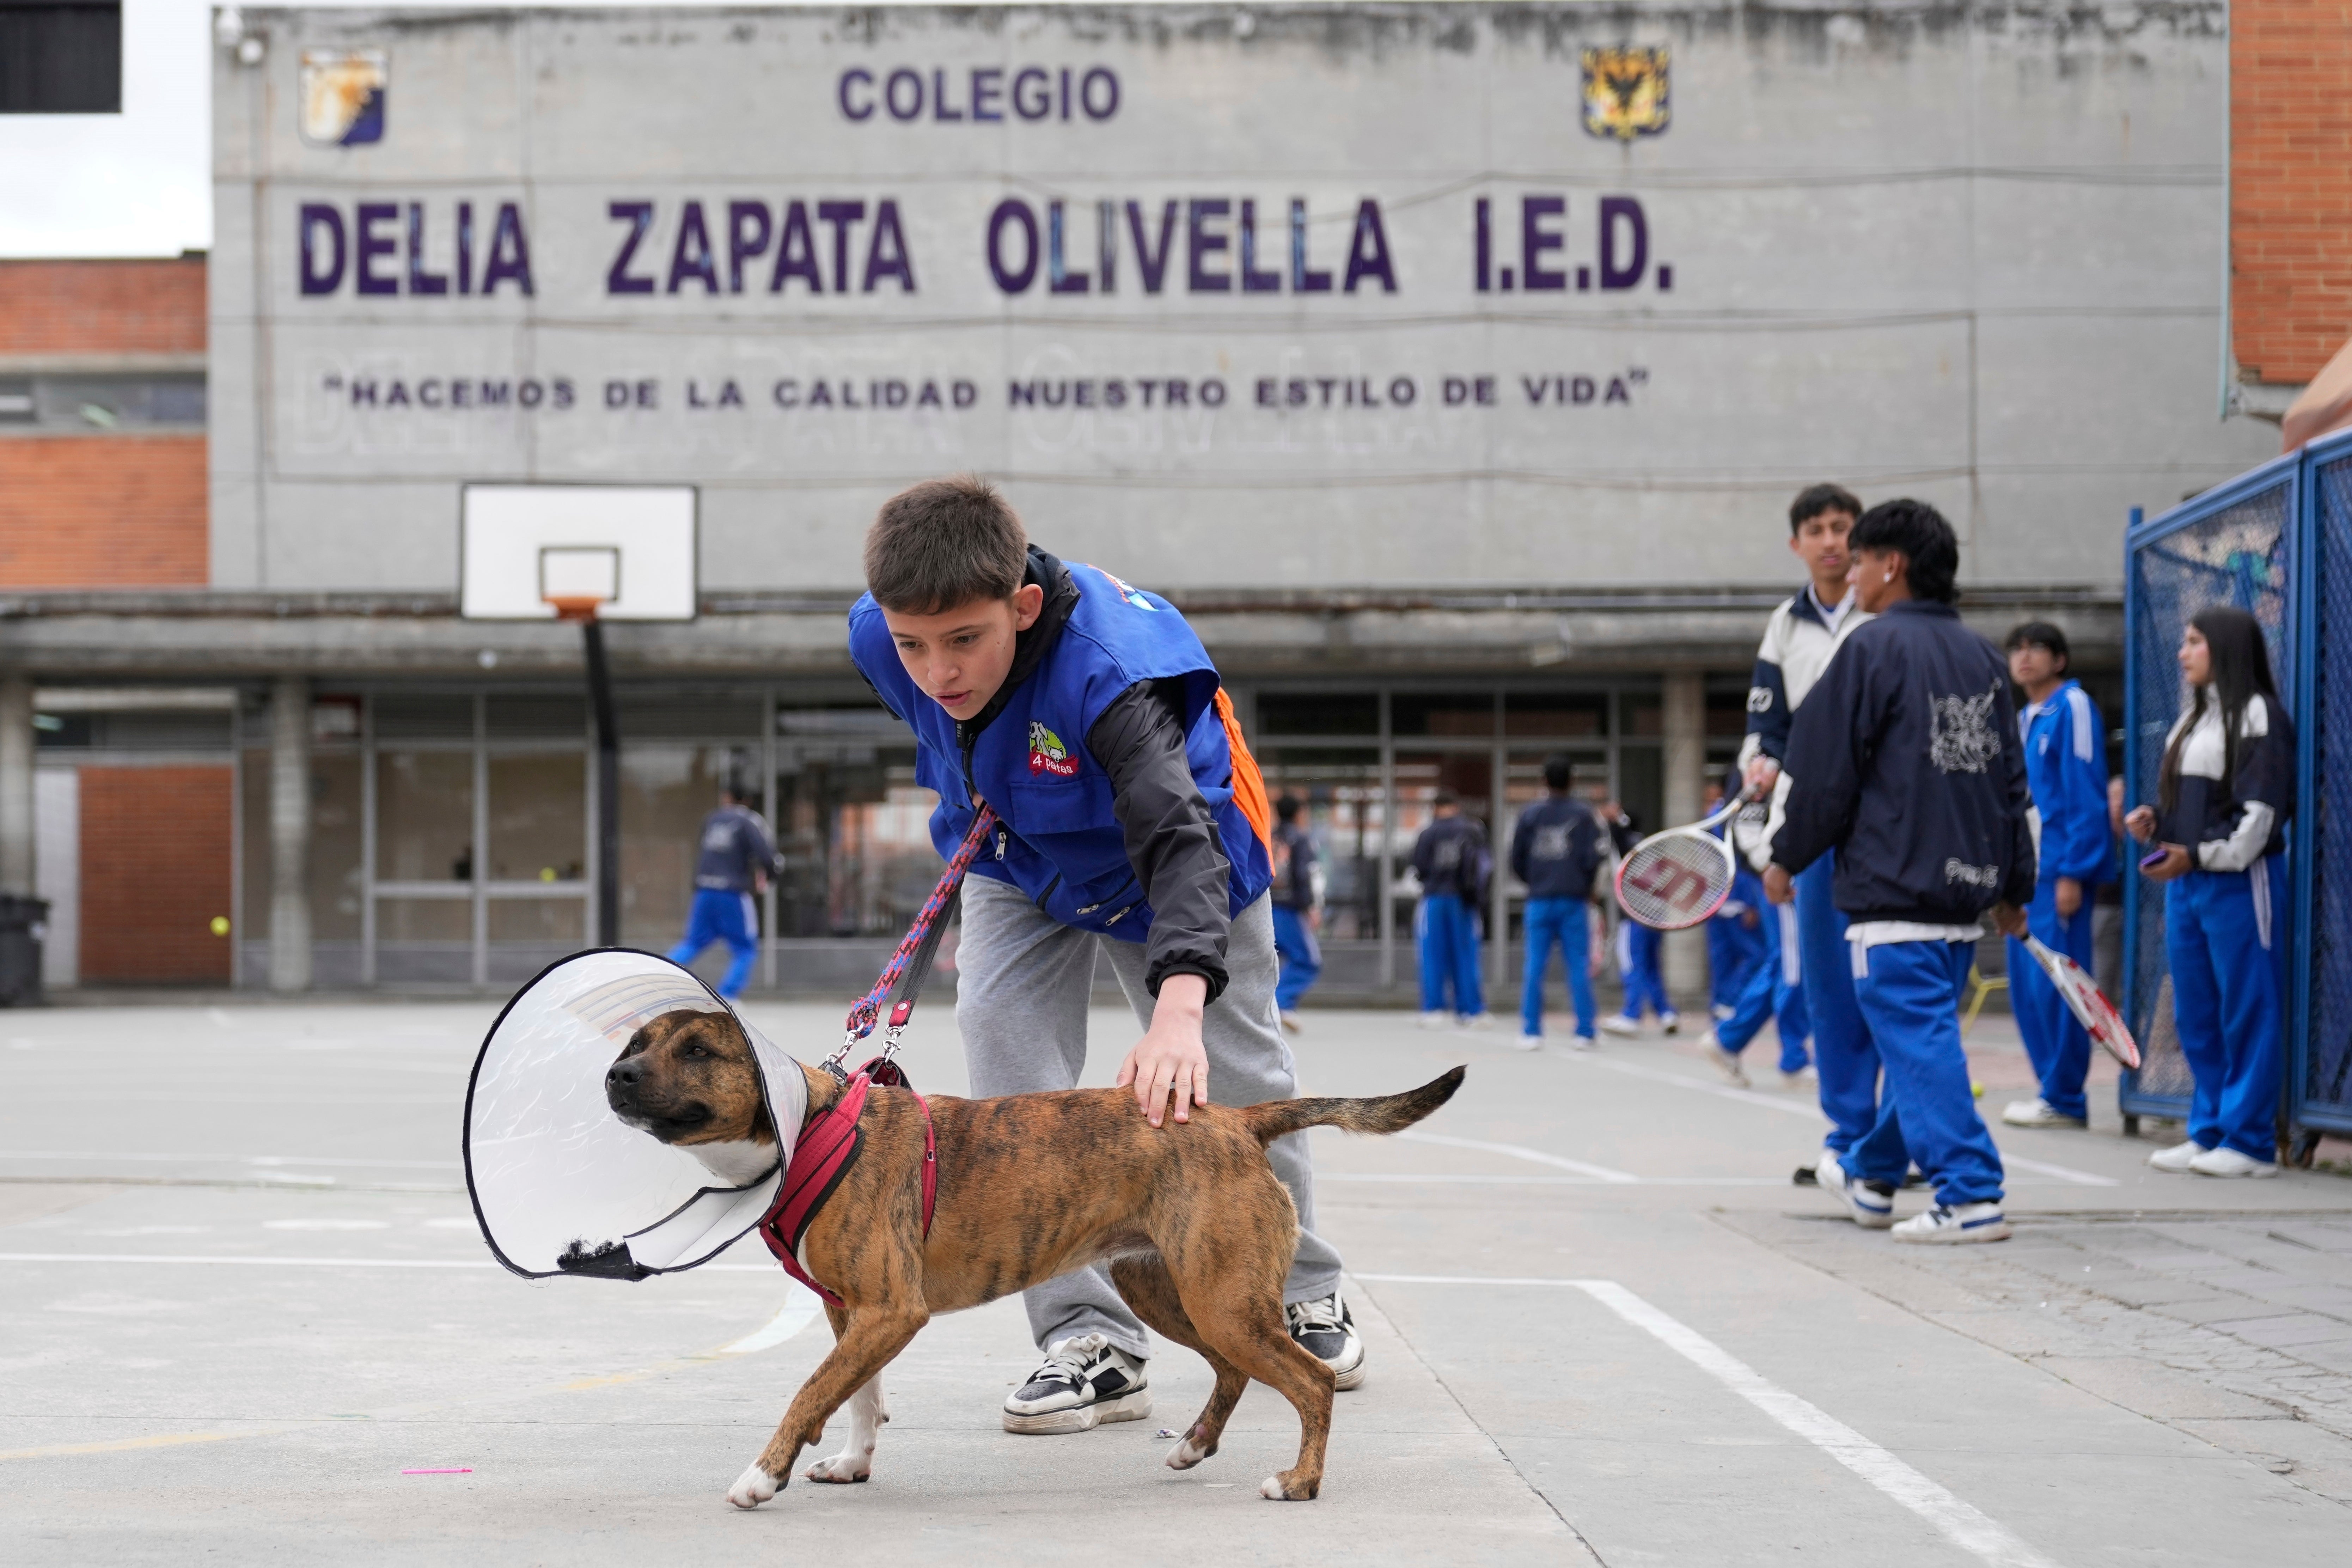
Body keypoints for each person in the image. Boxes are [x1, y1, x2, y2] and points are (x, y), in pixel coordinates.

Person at [847, 475, 1364, 1434]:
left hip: (1178, 852)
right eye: (913, 643)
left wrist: (1176, 1012)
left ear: (1023, 605)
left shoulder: (1112, 676)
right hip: (1021, 851)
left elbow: (1176, 837)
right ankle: (1086, 1338)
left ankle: (1298, 1288)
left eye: (965, 639)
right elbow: (957, 735)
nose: (937, 670)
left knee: (1237, 1080)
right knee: (1000, 1050)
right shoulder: (878, 637)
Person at [1766, 498, 2035, 1244]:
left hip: (1892, 890)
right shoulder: (1983, 656)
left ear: (1891, 564)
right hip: (1960, 899)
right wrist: (2014, 888)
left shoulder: (1869, 649)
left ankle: (1971, 1193)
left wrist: (1786, 855)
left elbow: (1822, 773)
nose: (1849, 572)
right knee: (1917, 1041)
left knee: (1916, 1044)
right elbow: (2008, 784)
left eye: (1857, 558)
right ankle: (1872, 1176)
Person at [2126, 606, 2296, 1179]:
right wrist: (2157, 823)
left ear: (2222, 647)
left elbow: (2260, 818)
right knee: (2198, 1012)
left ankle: (2249, 1143)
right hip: (2189, 885)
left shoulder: (2258, 715)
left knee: (2248, 1006)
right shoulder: (2190, 720)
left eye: (2194, 641)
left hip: (2239, 884)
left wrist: (2196, 853)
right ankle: (2209, 1129)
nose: (2182, 652)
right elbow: (2193, 810)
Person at [1739, 482, 1879, 1169]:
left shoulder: (1883, 611)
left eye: (1840, 527)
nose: (1829, 540)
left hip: (1885, 831)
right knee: (1826, 989)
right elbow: (1765, 727)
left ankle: (1894, 1138)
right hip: (1815, 833)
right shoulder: (1783, 626)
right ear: (1796, 545)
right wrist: (1760, 765)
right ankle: (1848, 1139)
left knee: (1884, 984)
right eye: (1816, 529)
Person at [1999, 622, 2110, 1130]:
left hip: (2058, 872)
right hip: (2022, 878)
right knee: (2026, 987)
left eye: (2036, 648)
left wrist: (2072, 870)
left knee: (2059, 984)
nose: (2024, 657)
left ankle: (2065, 1096)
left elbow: (2083, 788)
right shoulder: (2019, 717)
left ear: (2059, 659)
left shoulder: (2073, 706)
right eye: (2016, 649)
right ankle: (2050, 1090)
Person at [1704, 770, 1814, 1088]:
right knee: (1791, 965)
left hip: (1796, 873)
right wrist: (1773, 867)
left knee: (1786, 964)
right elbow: (1750, 830)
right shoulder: (1763, 757)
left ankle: (1729, 1039)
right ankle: (1792, 1058)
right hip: (1783, 877)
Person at [1510, 754, 1607, 1049]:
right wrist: (1588, 885)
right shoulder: (1583, 815)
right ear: (1572, 781)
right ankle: (1585, 1031)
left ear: (1544, 781)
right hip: (1573, 900)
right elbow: (1594, 857)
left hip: (1539, 900)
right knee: (1578, 964)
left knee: (1534, 966)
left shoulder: (1529, 814)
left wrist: (1535, 880)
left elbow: (1516, 858)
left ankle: (1530, 1031)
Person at [666, 783, 782, 998]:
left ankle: (658, 977)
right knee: (745, 949)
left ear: (726, 798)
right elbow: (768, 857)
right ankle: (727, 997)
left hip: (704, 890)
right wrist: (771, 876)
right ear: (747, 800)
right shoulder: (749, 820)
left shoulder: (712, 819)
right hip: (732, 893)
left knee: (693, 942)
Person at [1597, 800, 1678, 1036]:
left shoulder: (1626, 842)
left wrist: (1615, 817)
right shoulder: (1646, 845)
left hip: (1635, 915)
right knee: (1652, 966)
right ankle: (1666, 1013)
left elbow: (1618, 832)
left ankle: (1631, 1014)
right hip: (1656, 913)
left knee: (1632, 962)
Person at [1412, 788, 1491, 1028]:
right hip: (1463, 901)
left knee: (1432, 955)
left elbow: (1419, 866)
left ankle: (1433, 1008)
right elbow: (1485, 865)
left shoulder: (1428, 833)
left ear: (1436, 808)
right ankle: (1470, 1009)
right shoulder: (1472, 829)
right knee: (1466, 955)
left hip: (1435, 898)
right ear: (1456, 806)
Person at [1269, 793, 1323, 1032]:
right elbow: (1306, 874)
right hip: (1290, 908)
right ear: (1298, 813)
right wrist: (1311, 906)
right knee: (1307, 960)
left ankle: (1271, 1005)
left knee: (1269, 959)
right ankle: (1280, 1003)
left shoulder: (1268, 836)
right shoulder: (1301, 839)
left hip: (1265, 906)